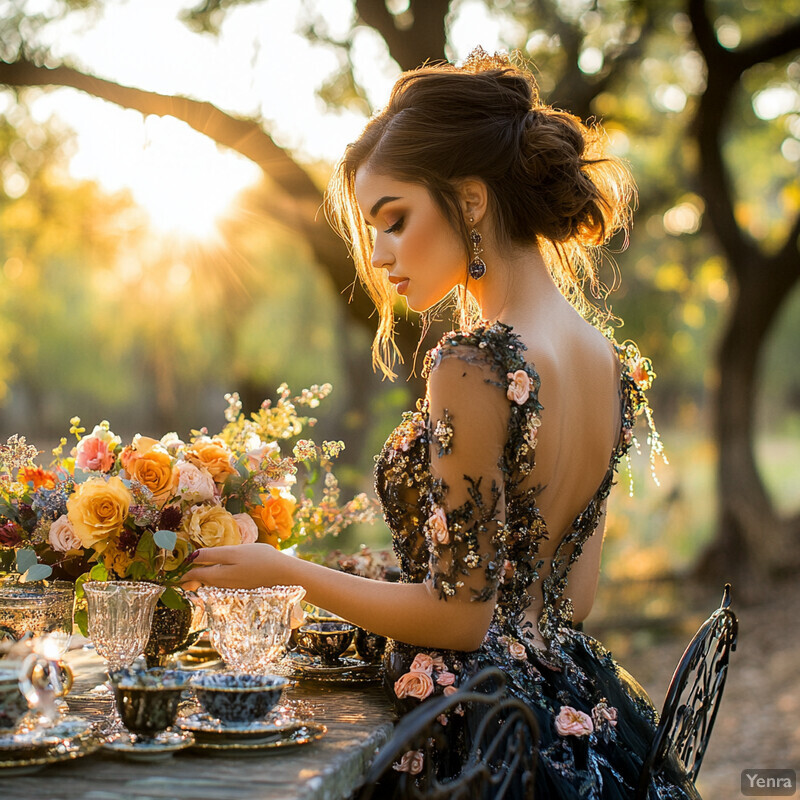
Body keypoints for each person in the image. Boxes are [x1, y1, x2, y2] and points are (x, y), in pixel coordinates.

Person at [184, 48, 697, 799]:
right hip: (572, 718)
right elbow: (571, 600)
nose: (383, 256)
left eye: (395, 221)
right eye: (373, 230)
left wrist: (286, 573)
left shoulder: (474, 361)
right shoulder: (604, 359)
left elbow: (459, 619)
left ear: (472, 199)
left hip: (481, 741)